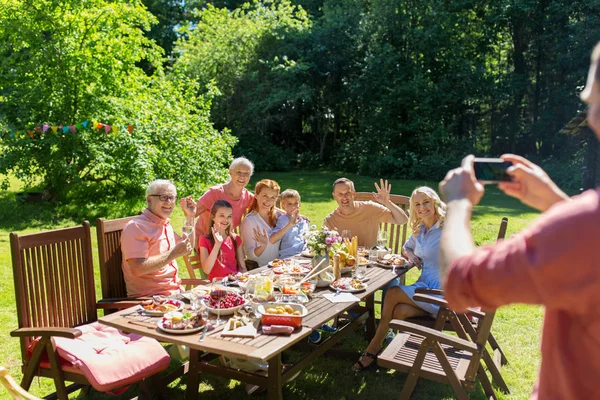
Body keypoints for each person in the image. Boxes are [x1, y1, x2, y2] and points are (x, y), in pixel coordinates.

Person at [437, 43, 600, 400]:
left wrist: (459, 202)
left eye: (591, 101)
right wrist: (557, 203)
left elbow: (460, 283)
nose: (589, 114)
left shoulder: (587, 229)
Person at [352, 186, 446, 372]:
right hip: (425, 286)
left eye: (426, 202)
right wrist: (411, 256)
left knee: (393, 293)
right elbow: (406, 247)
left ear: (434, 202)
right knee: (399, 312)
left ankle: (372, 349)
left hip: (442, 294)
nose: (422, 208)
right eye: (417, 204)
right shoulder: (421, 228)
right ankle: (399, 351)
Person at [121, 179, 195, 297]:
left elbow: (188, 247)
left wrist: (190, 216)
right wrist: (173, 254)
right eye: (163, 197)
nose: (169, 202)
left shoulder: (164, 224)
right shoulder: (136, 227)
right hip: (150, 301)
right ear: (149, 199)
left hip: (175, 294)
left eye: (172, 197)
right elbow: (138, 268)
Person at [323, 178, 408, 247]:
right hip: (345, 263)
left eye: (348, 193)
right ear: (334, 196)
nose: (344, 197)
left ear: (354, 194)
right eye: (340, 194)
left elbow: (402, 220)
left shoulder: (370, 208)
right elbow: (325, 248)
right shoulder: (330, 220)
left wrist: (387, 203)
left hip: (372, 261)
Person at [194, 157, 255, 240]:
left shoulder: (248, 197)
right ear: (230, 173)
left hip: (225, 242)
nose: (242, 176)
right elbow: (193, 212)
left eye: (246, 174)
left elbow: (266, 205)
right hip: (204, 241)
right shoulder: (215, 193)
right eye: (239, 172)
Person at [198, 200, 247, 281]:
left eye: (229, 216)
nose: (226, 219)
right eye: (222, 215)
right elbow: (206, 270)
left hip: (235, 282)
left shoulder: (235, 239)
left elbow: (242, 268)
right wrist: (217, 245)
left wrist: (244, 280)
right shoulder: (204, 240)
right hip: (218, 286)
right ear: (213, 216)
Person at [240, 179, 282, 266]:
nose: (268, 201)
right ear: (256, 195)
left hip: (279, 266)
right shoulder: (249, 221)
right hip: (260, 270)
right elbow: (250, 255)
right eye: (265, 196)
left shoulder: (279, 216)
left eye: (272, 197)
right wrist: (262, 246)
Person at [270, 189, 309, 258]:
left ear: (299, 204)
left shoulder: (304, 221)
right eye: (289, 204)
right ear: (283, 206)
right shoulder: (282, 220)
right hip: (288, 257)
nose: (293, 206)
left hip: (304, 256)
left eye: (296, 203)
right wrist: (289, 225)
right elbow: (272, 240)